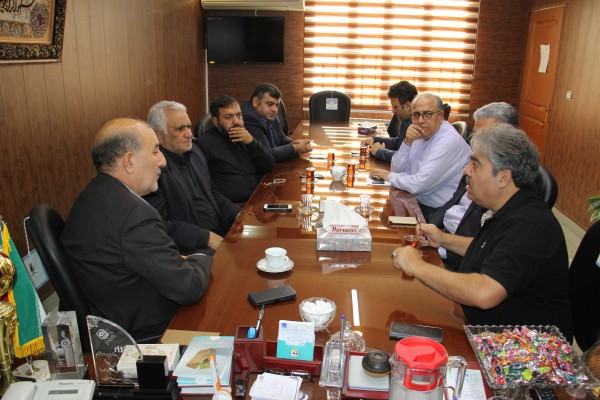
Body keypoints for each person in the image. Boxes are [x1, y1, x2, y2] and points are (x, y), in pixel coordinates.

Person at [391, 124, 572, 340]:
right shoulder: (509, 207)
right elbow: (491, 249)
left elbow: (484, 293)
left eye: (475, 164)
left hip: (523, 347)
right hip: (491, 328)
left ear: (503, 177)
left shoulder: (530, 225)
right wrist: (444, 239)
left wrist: (416, 266)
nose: (466, 171)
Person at [61, 118, 213, 340]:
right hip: (144, 331)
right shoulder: (134, 215)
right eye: (155, 151)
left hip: (112, 309)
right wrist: (201, 258)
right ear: (129, 161)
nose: (163, 161)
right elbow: (188, 287)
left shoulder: (93, 195)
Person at [427, 102, 518, 270]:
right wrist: (431, 228)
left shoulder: (502, 187)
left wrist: (439, 248)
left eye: (486, 135)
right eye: (476, 135)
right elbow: (452, 202)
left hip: (459, 261)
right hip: (442, 240)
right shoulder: (475, 164)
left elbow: (485, 251)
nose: (467, 170)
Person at [144, 101, 240, 255]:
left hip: (220, 232)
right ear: (160, 136)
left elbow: (212, 193)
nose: (189, 134)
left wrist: (238, 215)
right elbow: (160, 225)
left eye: (189, 127)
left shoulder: (196, 152)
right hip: (190, 248)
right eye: (180, 129)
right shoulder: (153, 169)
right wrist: (206, 238)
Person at [370, 93, 471, 218]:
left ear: (440, 115)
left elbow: (418, 185)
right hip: (414, 200)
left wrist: (389, 176)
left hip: (437, 212)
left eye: (428, 114)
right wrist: (407, 142)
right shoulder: (420, 133)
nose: (421, 120)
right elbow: (397, 169)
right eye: (416, 115)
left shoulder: (448, 141)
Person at [196, 95, 275, 203]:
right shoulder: (203, 144)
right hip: (235, 206)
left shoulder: (245, 137)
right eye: (229, 117)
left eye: (239, 115)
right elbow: (207, 190)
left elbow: (269, 166)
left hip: (258, 199)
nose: (236, 121)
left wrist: (252, 142)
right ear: (215, 121)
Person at [241, 83, 312, 162]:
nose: (275, 109)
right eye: (269, 104)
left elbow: (281, 137)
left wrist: (296, 143)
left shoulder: (266, 113)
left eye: (277, 105)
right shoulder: (249, 119)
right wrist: (295, 148)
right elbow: (267, 155)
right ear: (256, 102)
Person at [360, 81, 418, 162]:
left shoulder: (418, 126)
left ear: (408, 106)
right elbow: (398, 143)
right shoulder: (407, 120)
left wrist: (380, 152)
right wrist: (374, 139)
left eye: (395, 107)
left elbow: (406, 158)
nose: (393, 111)